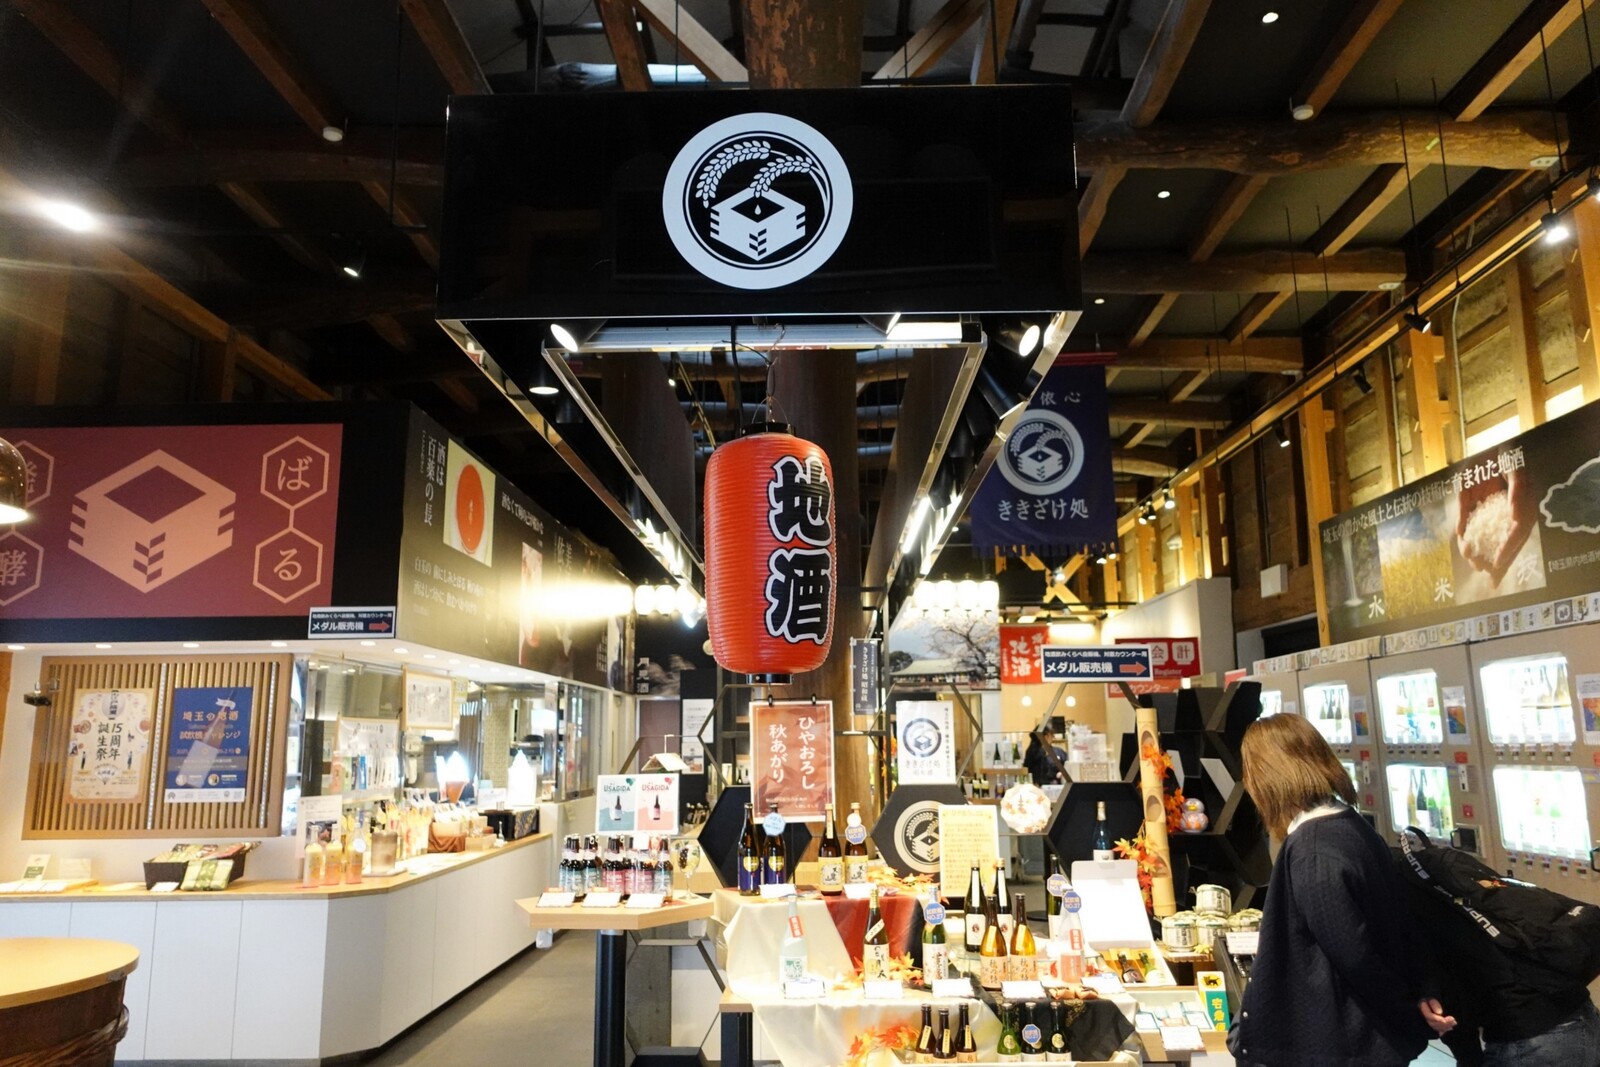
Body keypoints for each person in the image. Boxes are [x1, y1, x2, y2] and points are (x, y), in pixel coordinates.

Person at [1227, 713, 1433, 1067]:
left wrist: (1406, 1012)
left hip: (1340, 1045)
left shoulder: (1313, 851)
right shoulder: (1352, 826)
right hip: (1366, 1042)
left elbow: (1353, 953)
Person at [1400, 844, 1600, 1067]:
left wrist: (1468, 1057)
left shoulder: (1399, 895)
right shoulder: (1421, 865)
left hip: (1532, 1037)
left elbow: (1448, 989)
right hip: (1575, 1013)